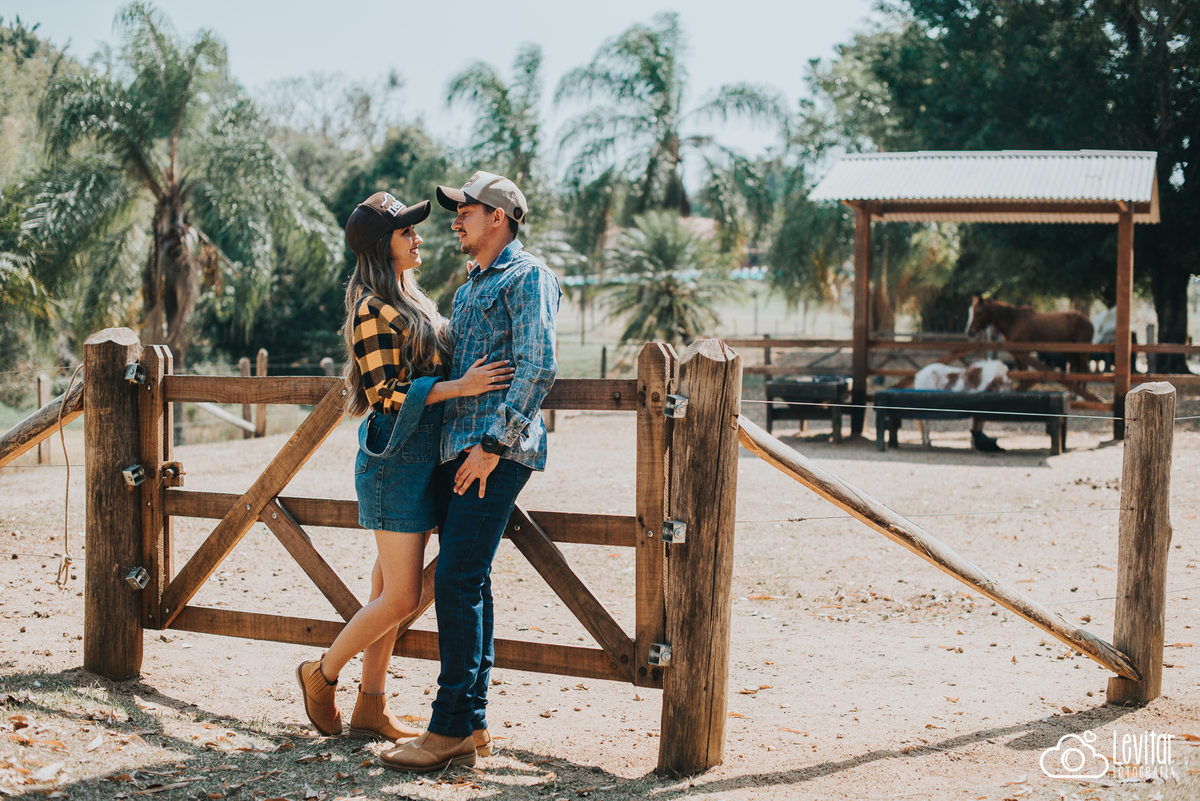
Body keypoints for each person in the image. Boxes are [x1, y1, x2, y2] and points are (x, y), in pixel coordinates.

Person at [295, 191, 514, 741]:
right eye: (405, 233)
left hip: (423, 456)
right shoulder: (371, 307)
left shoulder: (411, 297)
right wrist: (459, 388)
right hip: (395, 458)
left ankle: (371, 704)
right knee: (402, 596)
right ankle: (321, 675)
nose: (418, 238)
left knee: (390, 585)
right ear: (380, 248)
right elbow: (382, 392)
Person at [380, 172, 561, 772]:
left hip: (493, 453)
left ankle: (451, 726)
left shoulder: (527, 275)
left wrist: (492, 445)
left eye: (467, 209)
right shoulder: (468, 289)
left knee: (456, 581)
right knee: (469, 581)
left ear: (500, 217)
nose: (455, 219)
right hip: (459, 451)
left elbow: (539, 365)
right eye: (456, 211)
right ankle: (471, 724)